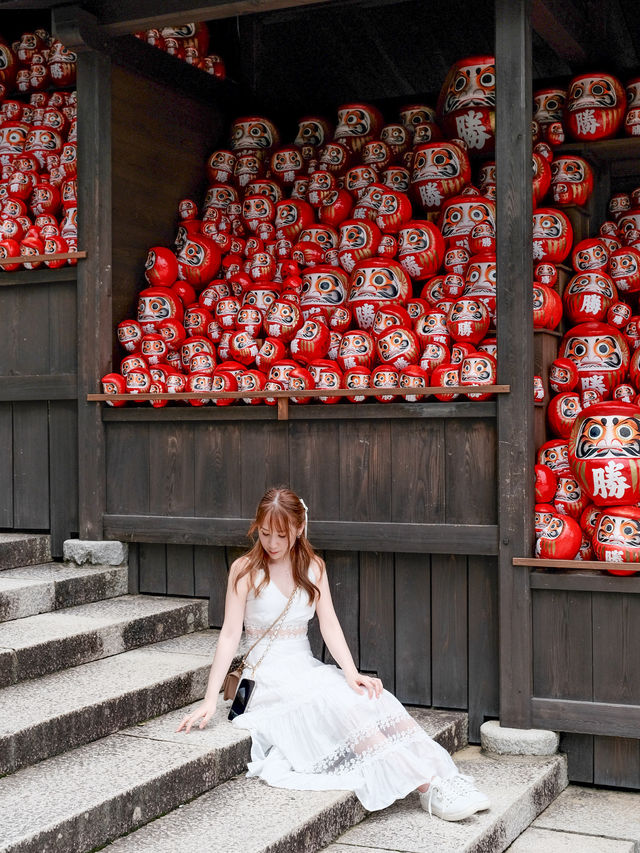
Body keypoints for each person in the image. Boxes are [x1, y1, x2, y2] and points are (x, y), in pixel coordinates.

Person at [177, 487, 490, 820]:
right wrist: (210, 699)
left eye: (281, 535)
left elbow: (329, 625)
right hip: (265, 679)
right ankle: (428, 789)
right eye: (265, 533)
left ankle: (443, 777)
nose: (272, 543)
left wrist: (351, 672)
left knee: (370, 698)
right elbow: (228, 635)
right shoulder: (244, 569)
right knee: (338, 703)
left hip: (305, 668)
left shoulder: (314, 567)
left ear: (299, 529)